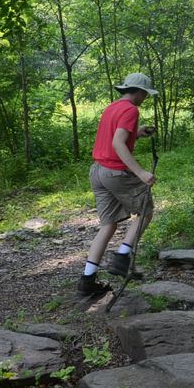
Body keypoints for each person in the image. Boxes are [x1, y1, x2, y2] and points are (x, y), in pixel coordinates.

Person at [79, 72, 158, 297]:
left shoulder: (113, 107)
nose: (144, 98)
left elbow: (115, 135)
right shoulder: (131, 109)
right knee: (145, 211)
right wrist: (140, 172)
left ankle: (87, 279)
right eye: (145, 94)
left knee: (108, 225)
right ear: (140, 92)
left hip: (97, 171)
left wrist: (138, 134)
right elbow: (117, 143)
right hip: (115, 172)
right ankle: (122, 258)